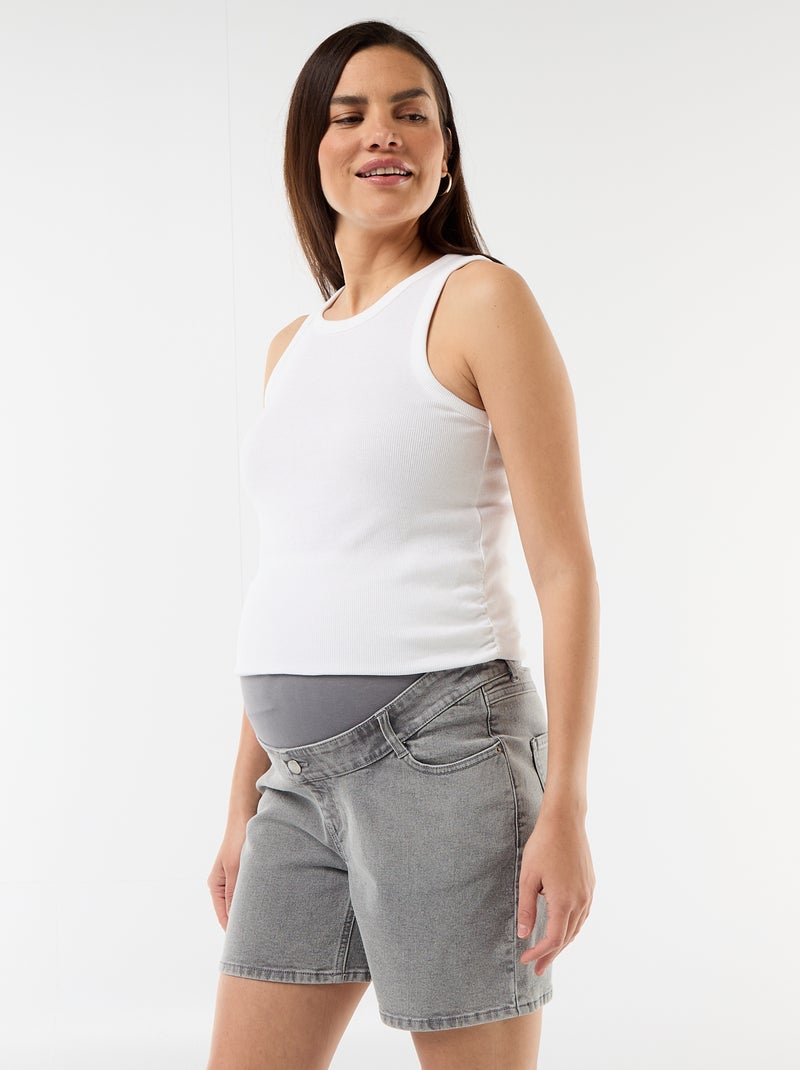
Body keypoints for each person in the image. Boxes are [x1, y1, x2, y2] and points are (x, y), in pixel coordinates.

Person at [206, 19, 598, 1070]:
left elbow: (564, 567)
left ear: (444, 151)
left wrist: (564, 803)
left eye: (410, 112)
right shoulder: (290, 347)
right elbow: (296, 570)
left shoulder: (480, 299)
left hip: (446, 758)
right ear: (312, 150)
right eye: (350, 115)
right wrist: (242, 800)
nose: (381, 132)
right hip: (296, 782)